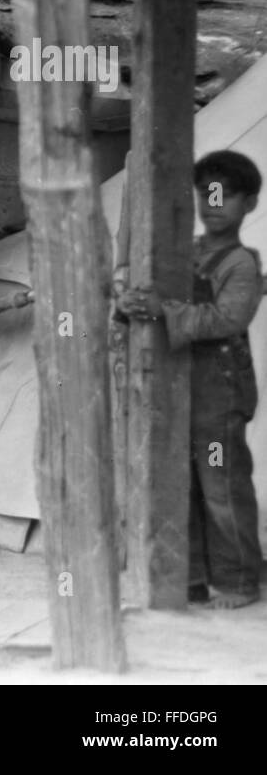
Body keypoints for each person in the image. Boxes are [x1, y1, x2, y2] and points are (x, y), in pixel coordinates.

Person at [117, 149, 263, 610]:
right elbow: (150, 301)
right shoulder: (187, 253)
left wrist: (166, 310)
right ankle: (192, 579)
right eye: (206, 193)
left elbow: (226, 317)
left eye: (225, 195)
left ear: (251, 204)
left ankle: (239, 582)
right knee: (184, 484)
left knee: (220, 483)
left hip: (219, 396)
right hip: (180, 389)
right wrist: (133, 304)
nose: (213, 203)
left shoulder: (242, 264)